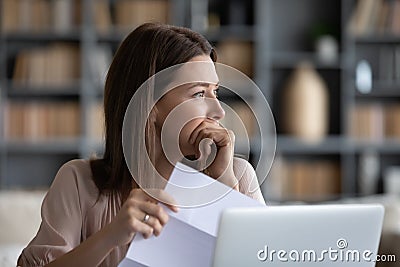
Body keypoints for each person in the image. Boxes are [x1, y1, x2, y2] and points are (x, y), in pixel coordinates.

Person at [18, 22, 265, 267]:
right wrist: (110, 236)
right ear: (150, 103)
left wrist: (222, 193)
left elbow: (266, 260)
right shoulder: (79, 181)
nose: (219, 111)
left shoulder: (238, 177)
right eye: (199, 94)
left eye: (216, 92)